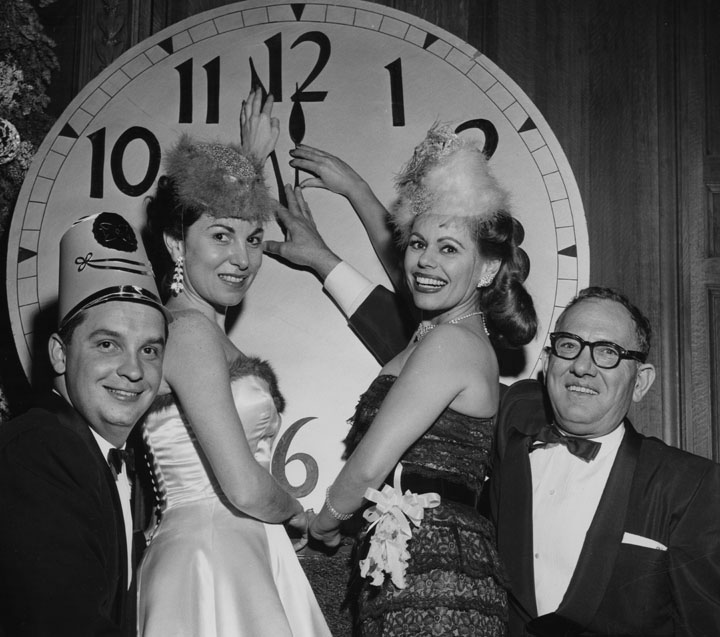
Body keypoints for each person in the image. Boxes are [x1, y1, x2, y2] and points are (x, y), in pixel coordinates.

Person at [273, 123, 538, 636]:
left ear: (486, 270)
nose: (426, 260)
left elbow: (368, 467)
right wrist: (355, 191)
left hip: (435, 577)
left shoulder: (448, 343)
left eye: (449, 249)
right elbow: (413, 268)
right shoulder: (440, 330)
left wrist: (323, 525)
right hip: (417, 562)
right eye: (419, 244)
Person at [135, 90, 331, 637]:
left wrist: (249, 161)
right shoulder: (188, 331)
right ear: (176, 244)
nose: (242, 259)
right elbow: (244, 489)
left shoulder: (201, 334)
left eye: (254, 239)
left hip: (239, 549)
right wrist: (298, 513)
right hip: (212, 557)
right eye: (220, 237)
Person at [0, 211, 169, 636]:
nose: (133, 370)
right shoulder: (45, 452)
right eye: (107, 344)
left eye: (149, 350)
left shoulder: (83, 448)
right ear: (59, 354)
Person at [488, 286, 720, 636]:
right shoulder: (510, 445)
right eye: (569, 345)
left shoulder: (688, 485)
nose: (582, 367)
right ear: (548, 363)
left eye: (608, 352)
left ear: (640, 382)